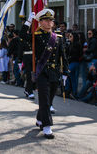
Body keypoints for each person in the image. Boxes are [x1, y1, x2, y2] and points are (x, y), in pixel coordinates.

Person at [22, 9, 68, 139]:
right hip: (42, 72)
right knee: (44, 99)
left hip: (54, 72)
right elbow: (22, 36)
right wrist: (28, 21)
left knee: (50, 99)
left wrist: (65, 72)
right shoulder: (35, 36)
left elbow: (62, 56)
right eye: (46, 20)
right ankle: (47, 127)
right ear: (40, 22)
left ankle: (40, 119)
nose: (49, 23)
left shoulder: (57, 37)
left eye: (51, 21)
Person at [67, 32, 82, 98]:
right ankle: (69, 91)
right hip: (71, 62)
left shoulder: (77, 44)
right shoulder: (70, 44)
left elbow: (76, 54)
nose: (69, 38)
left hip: (75, 62)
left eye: (71, 36)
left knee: (71, 77)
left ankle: (73, 92)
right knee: (71, 78)